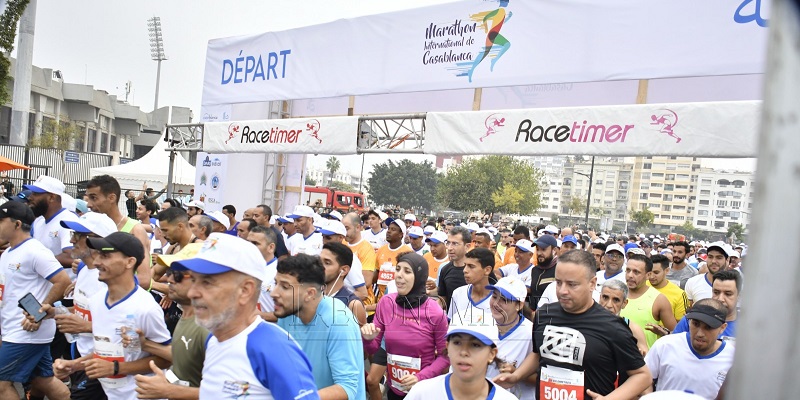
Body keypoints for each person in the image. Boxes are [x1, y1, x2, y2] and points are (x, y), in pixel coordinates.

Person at [170, 233, 320, 399]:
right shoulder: (213, 340)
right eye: (193, 280)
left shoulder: (274, 348)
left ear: (245, 290)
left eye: (207, 282)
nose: (192, 292)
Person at [494, 249, 652, 399]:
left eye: (572, 284)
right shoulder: (544, 314)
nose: (562, 291)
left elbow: (642, 376)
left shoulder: (613, 327)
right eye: (558, 282)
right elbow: (538, 353)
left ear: (592, 283)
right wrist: (517, 376)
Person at [51, 232, 171, 400]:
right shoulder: (97, 301)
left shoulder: (145, 308)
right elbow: (106, 351)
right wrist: (74, 365)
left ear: (130, 262)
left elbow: (165, 360)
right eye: (98, 254)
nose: (98, 261)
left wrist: (116, 368)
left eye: (105, 255)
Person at [0, 202, 72, 400]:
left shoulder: (34, 250)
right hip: (15, 329)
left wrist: (39, 311)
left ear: (17, 224)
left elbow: (62, 280)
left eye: (0, 221)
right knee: (43, 380)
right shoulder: (7, 253)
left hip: (26, 331)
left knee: (1, 385)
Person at [273, 254, 366, 399]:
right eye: (275, 283)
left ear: (310, 293)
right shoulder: (287, 313)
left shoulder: (339, 322)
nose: (274, 293)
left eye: (285, 287)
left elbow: (347, 388)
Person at [362, 252, 449, 399]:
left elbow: (445, 357)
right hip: (394, 389)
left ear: (420, 277)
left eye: (407, 271)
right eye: (398, 269)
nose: (399, 275)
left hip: (423, 391)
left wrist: (420, 377)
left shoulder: (435, 312)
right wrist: (368, 339)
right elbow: (373, 348)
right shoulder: (386, 302)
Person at [125, 243, 208, 399]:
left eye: (177, 274)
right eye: (169, 272)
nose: (169, 278)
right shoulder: (188, 316)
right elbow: (188, 357)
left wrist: (169, 391)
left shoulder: (211, 327)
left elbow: (228, 394)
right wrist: (146, 345)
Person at [55, 212, 118, 400]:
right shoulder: (84, 270)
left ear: (97, 241)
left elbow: (123, 329)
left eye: (78, 235)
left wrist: (84, 327)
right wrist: (55, 313)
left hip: (103, 362)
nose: (71, 240)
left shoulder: (110, 280)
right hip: (83, 357)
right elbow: (87, 312)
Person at [405, 316, 517, 400]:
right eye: (457, 342)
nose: (464, 352)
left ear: (492, 354)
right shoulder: (421, 393)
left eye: (475, 345)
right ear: (447, 347)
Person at [645, 299, 734, 399]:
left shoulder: (732, 358)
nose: (700, 333)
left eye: (708, 327)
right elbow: (644, 380)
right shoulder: (665, 345)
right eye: (695, 324)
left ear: (722, 328)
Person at [85, 175, 152, 290]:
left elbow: (144, 279)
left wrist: (103, 289)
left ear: (111, 198)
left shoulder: (135, 230)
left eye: (94, 198)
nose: (89, 204)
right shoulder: (90, 226)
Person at [485, 277, 536, 400]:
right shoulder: (482, 324)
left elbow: (540, 378)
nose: (496, 303)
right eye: (494, 296)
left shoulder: (531, 333)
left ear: (519, 305)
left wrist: (516, 372)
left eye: (504, 300)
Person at [619, 254, 677, 348]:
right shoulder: (616, 294)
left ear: (648, 275)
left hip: (644, 360)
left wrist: (664, 333)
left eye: (636, 272)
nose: (630, 275)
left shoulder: (659, 300)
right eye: (628, 270)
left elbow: (676, 335)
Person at [24, 175, 79, 270]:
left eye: (36, 194)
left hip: (63, 283)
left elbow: (71, 256)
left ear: (52, 197)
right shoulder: (39, 221)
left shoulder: (68, 221)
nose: (30, 197)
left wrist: (35, 261)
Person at [670, 270, 741, 340]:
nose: (720, 299)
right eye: (716, 292)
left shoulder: (747, 327)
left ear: (739, 296)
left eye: (728, 294)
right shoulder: (690, 320)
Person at [599, 280, 650, 357]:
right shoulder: (587, 321)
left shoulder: (633, 329)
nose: (609, 305)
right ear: (600, 298)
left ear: (624, 303)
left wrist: (639, 356)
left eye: (616, 300)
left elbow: (646, 358)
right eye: (605, 298)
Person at [321, 242, 367, 326]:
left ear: (344, 270)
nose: (320, 266)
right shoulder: (311, 296)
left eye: (327, 263)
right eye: (318, 262)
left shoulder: (353, 304)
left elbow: (359, 337)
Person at [448, 248, 495, 324]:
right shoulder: (458, 293)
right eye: (465, 265)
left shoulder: (499, 299)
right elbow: (451, 323)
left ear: (487, 270)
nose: (465, 270)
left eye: (471, 266)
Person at [246, 225, 279, 323]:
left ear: (271, 247)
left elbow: (291, 314)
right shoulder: (242, 269)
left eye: (255, 243)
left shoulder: (281, 273)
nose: (250, 247)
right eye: (248, 242)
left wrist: (261, 316)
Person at [437, 226, 473, 310]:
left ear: (467, 246)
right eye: (448, 243)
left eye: (455, 244)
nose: (449, 248)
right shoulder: (445, 269)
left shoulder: (479, 269)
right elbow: (443, 299)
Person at [685, 242, 731, 306]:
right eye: (710, 257)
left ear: (727, 259)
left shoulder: (736, 285)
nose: (713, 261)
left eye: (719, 257)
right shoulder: (692, 282)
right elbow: (688, 311)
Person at [648, 254, 689, 322]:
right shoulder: (641, 286)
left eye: (656, 272)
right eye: (649, 272)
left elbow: (681, 324)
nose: (651, 276)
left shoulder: (679, 294)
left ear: (667, 271)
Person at [526, 235, 559, 309]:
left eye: (543, 249)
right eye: (537, 249)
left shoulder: (559, 270)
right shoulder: (535, 270)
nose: (539, 253)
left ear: (554, 250)